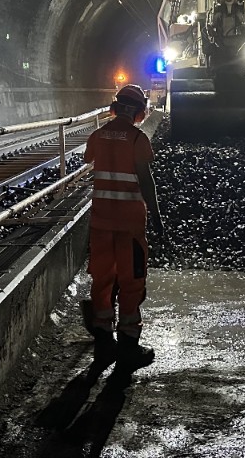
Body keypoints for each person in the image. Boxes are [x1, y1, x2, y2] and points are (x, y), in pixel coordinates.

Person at [80, 84, 163, 373]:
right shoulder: (138, 140)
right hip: (129, 227)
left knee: (102, 280)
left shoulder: (98, 135)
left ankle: (104, 343)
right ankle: (128, 345)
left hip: (101, 224)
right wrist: (157, 215)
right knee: (131, 282)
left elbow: (87, 159)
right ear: (139, 112)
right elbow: (145, 180)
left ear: (114, 108)